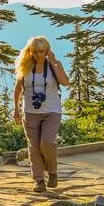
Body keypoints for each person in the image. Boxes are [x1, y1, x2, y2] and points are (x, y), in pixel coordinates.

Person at [13, 36, 69, 193]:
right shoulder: (25, 67)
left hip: (52, 111)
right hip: (30, 112)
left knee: (47, 142)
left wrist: (54, 62)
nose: (39, 55)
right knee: (34, 147)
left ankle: (52, 172)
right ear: (30, 52)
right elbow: (18, 90)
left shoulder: (54, 65)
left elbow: (65, 82)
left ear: (47, 51)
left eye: (42, 51)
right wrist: (16, 110)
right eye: (36, 52)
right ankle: (39, 181)